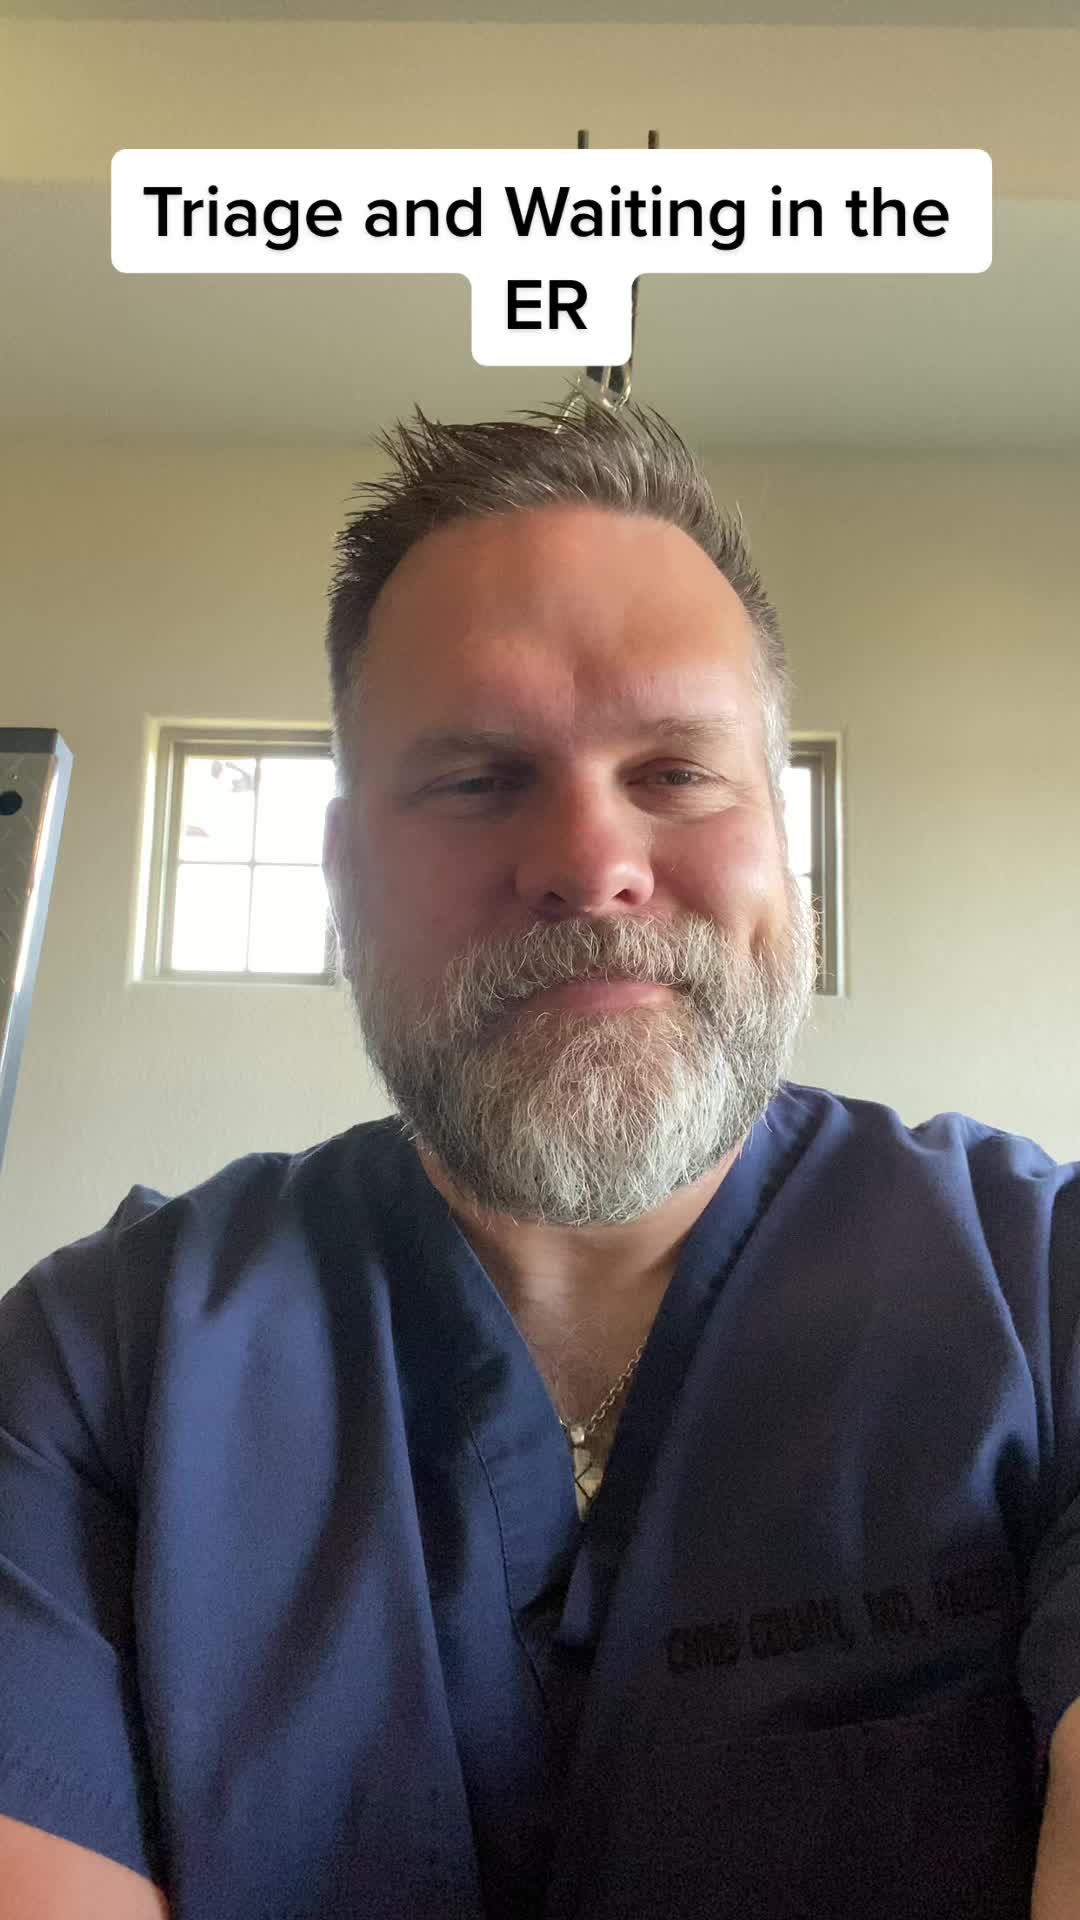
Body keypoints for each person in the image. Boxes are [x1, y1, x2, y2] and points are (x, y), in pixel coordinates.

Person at [0, 397, 1078, 1920]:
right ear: (343, 877)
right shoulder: (91, 1376)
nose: (590, 860)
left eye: (677, 771)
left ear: (784, 851)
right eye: (475, 778)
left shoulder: (1051, 1298)